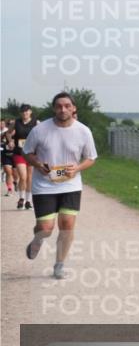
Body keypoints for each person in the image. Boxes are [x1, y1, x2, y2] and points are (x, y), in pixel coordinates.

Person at [23, 93, 98, 280]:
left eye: (67, 106)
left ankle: (59, 265)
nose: (63, 109)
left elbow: (91, 158)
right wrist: (38, 164)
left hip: (71, 185)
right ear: (53, 108)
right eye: (58, 106)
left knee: (67, 225)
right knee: (45, 228)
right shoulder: (40, 130)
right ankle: (38, 239)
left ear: (74, 108)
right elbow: (27, 152)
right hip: (44, 185)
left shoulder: (83, 131)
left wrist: (77, 168)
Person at [13, 104, 37, 209]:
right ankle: (21, 198)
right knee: (23, 177)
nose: (25, 113)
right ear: (20, 113)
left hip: (32, 154)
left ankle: (28, 201)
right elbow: (8, 133)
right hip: (19, 153)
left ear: (30, 112)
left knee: (30, 178)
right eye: (23, 111)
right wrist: (10, 141)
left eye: (26, 111)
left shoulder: (36, 122)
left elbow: (42, 134)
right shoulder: (16, 122)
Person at [2, 120, 17, 196]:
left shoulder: (19, 134)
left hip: (16, 155)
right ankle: (9, 189)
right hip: (6, 155)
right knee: (8, 172)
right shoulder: (4, 134)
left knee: (15, 174)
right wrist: (5, 146)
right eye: (10, 124)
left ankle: (15, 182)